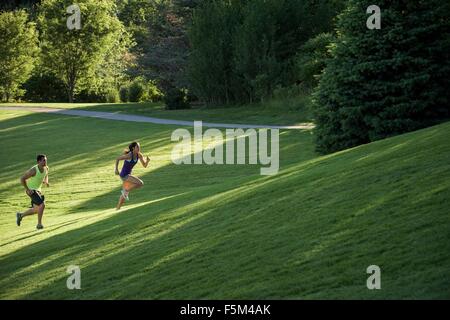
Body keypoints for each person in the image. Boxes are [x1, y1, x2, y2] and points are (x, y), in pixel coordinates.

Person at [16, 154, 49, 230]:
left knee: (36, 209)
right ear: (38, 162)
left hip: (38, 190)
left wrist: (46, 181)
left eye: (46, 160)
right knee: (42, 205)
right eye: (43, 160)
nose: (45, 162)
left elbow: (46, 175)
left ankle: (20, 215)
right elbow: (22, 179)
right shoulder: (33, 170)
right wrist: (27, 189)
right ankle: (39, 224)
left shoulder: (46, 168)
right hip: (31, 190)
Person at [115, 142, 150, 210]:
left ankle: (117, 209)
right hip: (124, 175)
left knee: (124, 196)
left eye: (139, 147)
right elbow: (118, 158)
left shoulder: (139, 155)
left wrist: (147, 161)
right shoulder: (129, 156)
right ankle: (126, 190)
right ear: (133, 148)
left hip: (128, 175)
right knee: (140, 183)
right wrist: (116, 169)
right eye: (137, 147)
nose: (139, 148)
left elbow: (144, 165)